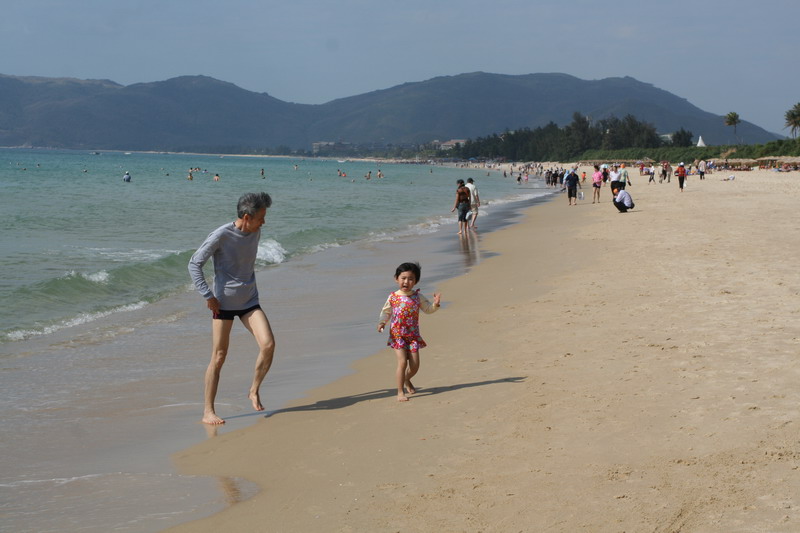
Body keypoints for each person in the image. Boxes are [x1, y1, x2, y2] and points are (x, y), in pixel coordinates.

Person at [188, 192, 276, 425]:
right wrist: (208, 295)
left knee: (268, 345)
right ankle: (208, 411)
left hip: (249, 301)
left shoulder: (255, 231)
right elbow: (194, 263)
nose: (263, 222)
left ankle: (254, 389)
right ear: (247, 217)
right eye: (261, 217)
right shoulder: (221, 235)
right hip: (223, 305)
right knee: (218, 357)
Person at [377, 262, 441, 402]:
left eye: (411, 279)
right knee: (402, 363)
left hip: (413, 336)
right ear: (396, 278)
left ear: (416, 281)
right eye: (403, 278)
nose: (406, 281)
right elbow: (386, 312)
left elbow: (428, 309)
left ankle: (407, 379)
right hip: (397, 335)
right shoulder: (393, 297)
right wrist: (382, 323)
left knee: (415, 366)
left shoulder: (418, 297)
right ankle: (400, 392)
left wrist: (435, 304)